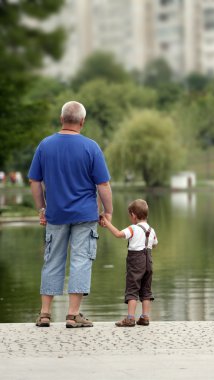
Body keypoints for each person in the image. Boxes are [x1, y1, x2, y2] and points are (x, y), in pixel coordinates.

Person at [28, 101, 113, 328]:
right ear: (82, 122)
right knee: (80, 261)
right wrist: (109, 212)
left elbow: (34, 181)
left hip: (55, 215)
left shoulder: (45, 145)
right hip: (85, 215)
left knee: (52, 261)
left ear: (61, 119)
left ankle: (45, 314)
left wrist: (42, 208)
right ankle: (73, 315)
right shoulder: (91, 147)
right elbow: (103, 184)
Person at [101, 199, 158, 327]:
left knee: (132, 288)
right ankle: (145, 317)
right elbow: (155, 244)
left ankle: (130, 318)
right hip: (148, 261)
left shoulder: (133, 228)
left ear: (133, 215)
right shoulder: (151, 229)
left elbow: (118, 234)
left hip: (136, 261)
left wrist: (107, 222)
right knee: (146, 290)